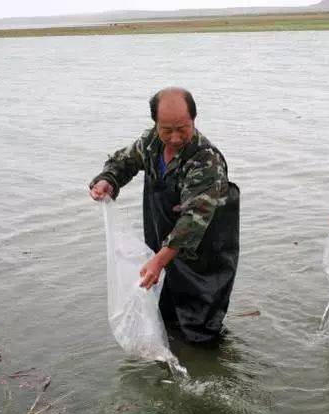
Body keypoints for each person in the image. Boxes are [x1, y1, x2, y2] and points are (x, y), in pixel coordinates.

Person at [89, 87, 240, 343]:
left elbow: (193, 219)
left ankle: (212, 366)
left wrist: (159, 261)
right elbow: (123, 162)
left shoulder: (205, 161)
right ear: (156, 123)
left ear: (194, 119)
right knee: (165, 315)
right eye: (166, 129)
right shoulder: (151, 143)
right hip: (164, 248)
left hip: (203, 256)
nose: (175, 137)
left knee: (201, 328)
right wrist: (108, 181)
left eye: (183, 128)